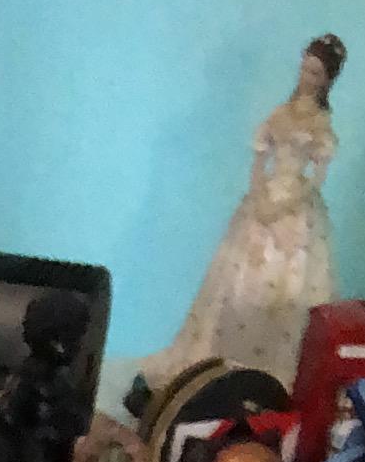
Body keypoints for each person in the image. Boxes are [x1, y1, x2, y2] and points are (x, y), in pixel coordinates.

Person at [137, 32, 348, 396]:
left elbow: (317, 179)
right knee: (235, 284)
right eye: (304, 69)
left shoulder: (321, 124)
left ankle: (271, 380)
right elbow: (260, 158)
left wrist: (284, 205)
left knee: (287, 288)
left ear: (327, 80)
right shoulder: (281, 113)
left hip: (294, 208)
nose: (306, 78)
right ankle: (221, 369)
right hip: (262, 200)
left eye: (315, 73)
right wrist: (259, 195)